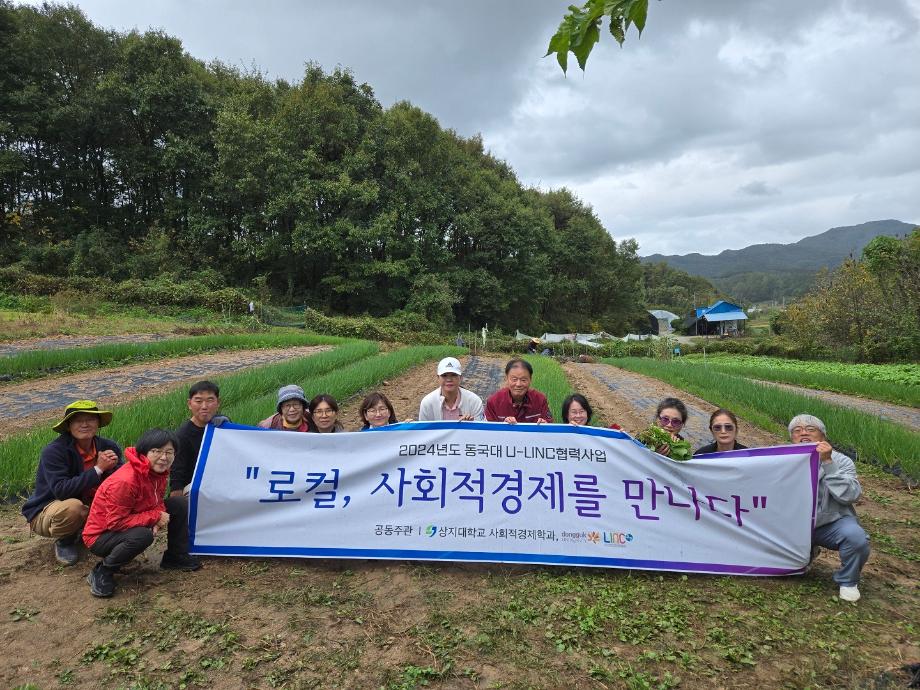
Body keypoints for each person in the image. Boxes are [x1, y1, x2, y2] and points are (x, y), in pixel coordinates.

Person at [83, 428, 201, 598]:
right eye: (156, 451)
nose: (163, 457)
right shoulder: (126, 481)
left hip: (129, 520)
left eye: (169, 452)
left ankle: (175, 556)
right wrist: (154, 518)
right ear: (144, 453)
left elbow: (157, 500)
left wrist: (157, 515)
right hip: (101, 535)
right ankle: (103, 571)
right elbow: (115, 522)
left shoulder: (157, 472)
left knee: (179, 504)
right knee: (143, 536)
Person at [21, 401, 122, 566]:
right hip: (50, 508)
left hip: (89, 504)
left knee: (120, 502)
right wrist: (98, 468)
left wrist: (114, 468)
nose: (84, 424)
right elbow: (62, 490)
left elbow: (120, 483)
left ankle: (88, 533)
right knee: (74, 508)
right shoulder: (54, 451)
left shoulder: (108, 446)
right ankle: (65, 540)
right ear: (68, 426)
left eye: (90, 419)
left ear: (98, 423)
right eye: (77, 420)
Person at [789, 414, 870, 602]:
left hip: (829, 523)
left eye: (810, 430)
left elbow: (851, 495)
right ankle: (804, 554)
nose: (803, 434)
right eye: (797, 431)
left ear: (823, 437)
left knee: (856, 538)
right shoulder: (782, 458)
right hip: (791, 525)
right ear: (791, 438)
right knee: (789, 569)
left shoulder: (841, 461)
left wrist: (827, 463)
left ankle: (848, 580)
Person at [170, 381, 229, 498]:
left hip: (221, 486)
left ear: (218, 403)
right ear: (189, 404)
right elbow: (177, 475)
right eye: (198, 401)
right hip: (194, 491)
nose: (204, 406)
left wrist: (228, 424)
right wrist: (177, 506)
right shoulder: (182, 436)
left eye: (210, 400)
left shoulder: (222, 425)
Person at [484, 358, 552, 424]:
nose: (518, 384)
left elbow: (550, 425)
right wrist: (504, 425)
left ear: (530, 380)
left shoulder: (540, 399)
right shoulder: (493, 402)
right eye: (514, 379)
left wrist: (545, 424)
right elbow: (489, 431)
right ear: (507, 379)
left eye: (523, 380)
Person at [418, 357, 485, 422]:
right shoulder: (427, 403)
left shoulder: (474, 402)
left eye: (454, 375)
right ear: (438, 378)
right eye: (444, 375)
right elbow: (423, 431)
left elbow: (480, 431)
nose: (449, 379)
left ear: (461, 378)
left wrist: (470, 425)